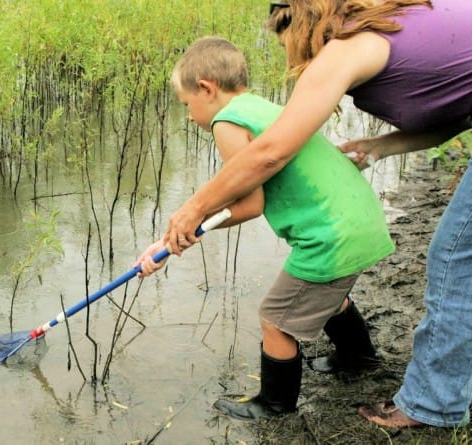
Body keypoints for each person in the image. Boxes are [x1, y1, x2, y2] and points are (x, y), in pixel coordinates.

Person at [161, 0, 472, 429]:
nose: (290, 53)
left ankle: (425, 404)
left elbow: (271, 152)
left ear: (302, 24)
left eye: (284, 37)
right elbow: (467, 104)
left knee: (461, 259)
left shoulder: (347, 46)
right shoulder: (403, 20)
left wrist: (192, 210)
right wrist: (381, 147)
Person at [134, 35, 394, 421]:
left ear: (207, 88)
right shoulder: (264, 107)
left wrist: (183, 233)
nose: (189, 116)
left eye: (187, 105)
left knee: (276, 319)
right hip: (360, 221)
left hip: (330, 238)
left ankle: (274, 406)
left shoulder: (227, 120)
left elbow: (251, 204)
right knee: (325, 295)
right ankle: (358, 361)